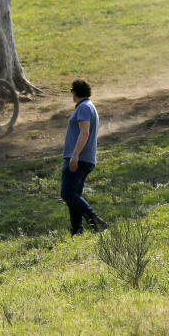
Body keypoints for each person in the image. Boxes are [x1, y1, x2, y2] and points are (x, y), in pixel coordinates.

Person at [60, 78, 108, 235]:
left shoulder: (83, 108)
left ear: (74, 92)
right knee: (74, 196)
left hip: (79, 158)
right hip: (84, 158)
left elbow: (84, 132)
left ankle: (93, 219)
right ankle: (76, 231)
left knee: (67, 193)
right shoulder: (89, 107)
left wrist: (74, 156)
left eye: (72, 91)